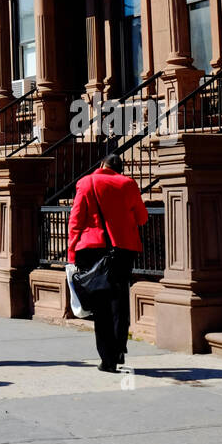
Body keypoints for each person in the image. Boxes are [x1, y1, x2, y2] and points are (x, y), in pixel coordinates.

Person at [68, 152, 148, 373]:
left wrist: (72, 252)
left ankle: (107, 358)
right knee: (119, 301)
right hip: (123, 250)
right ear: (120, 168)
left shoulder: (86, 182)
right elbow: (142, 218)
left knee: (100, 306)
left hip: (92, 249)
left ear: (102, 164)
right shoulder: (128, 184)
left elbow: (76, 220)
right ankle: (120, 346)